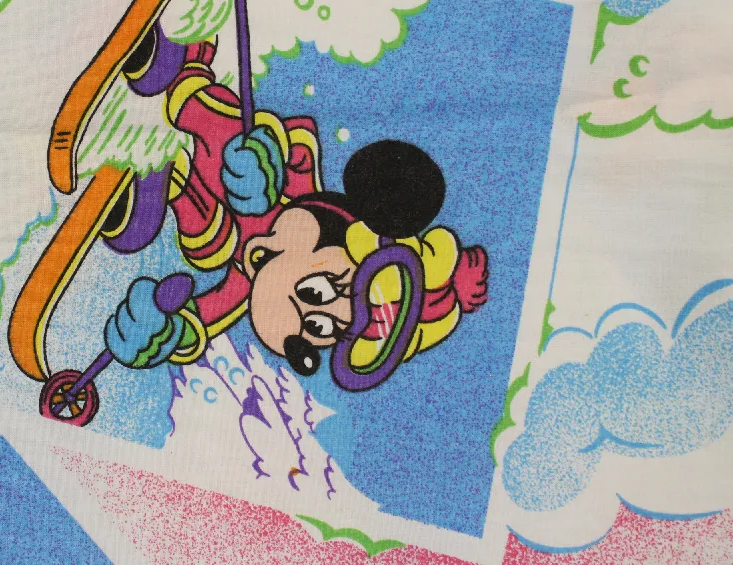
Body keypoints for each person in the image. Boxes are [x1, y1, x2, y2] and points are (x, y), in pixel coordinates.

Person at [104, 38, 489, 380]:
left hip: (200, 197)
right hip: (224, 142)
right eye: (317, 292)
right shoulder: (298, 180)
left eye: (322, 331)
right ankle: (183, 71)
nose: (300, 327)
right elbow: (293, 148)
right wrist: (265, 160)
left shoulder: (250, 275)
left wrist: (164, 334)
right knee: (231, 145)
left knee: (211, 247)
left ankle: (164, 183)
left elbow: (206, 316)